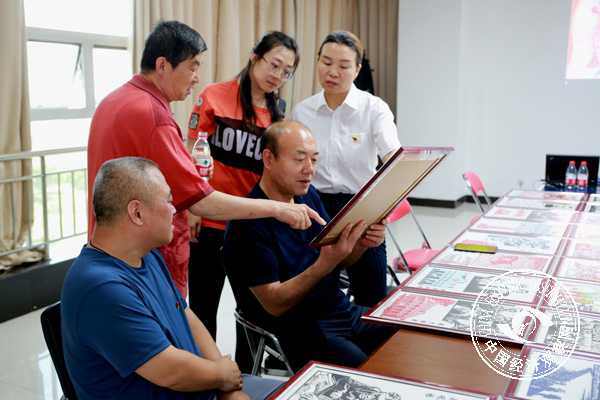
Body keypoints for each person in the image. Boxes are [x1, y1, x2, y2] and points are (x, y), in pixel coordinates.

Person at [87, 21, 324, 299]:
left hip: (118, 243)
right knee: (195, 304)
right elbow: (197, 192)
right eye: (193, 67)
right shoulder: (160, 114)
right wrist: (276, 209)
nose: (196, 77)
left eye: (286, 72)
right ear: (163, 65)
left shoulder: (116, 100)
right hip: (155, 240)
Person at [62, 157, 281, 399]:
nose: (175, 209)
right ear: (137, 213)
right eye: (168, 201)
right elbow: (170, 371)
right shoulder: (101, 288)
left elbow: (185, 315)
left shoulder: (146, 256)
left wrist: (227, 386)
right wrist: (221, 376)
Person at [223, 121, 397, 372]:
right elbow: (275, 303)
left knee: (404, 339)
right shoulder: (247, 224)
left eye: (314, 160)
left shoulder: (308, 196)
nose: (309, 169)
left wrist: (360, 243)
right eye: (299, 159)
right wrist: (323, 265)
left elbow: (338, 259)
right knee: (368, 371)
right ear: (268, 159)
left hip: (337, 309)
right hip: (298, 328)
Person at [186, 31, 299, 341]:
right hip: (210, 220)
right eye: (274, 65)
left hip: (252, 226)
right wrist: (192, 207)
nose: (278, 75)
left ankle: (246, 370)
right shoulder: (213, 96)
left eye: (286, 72)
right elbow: (191, 153)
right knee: (202, 308)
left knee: (253, 313)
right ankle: (206, 369)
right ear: (254, 57)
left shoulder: (278, 113)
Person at [292, 31, 401, 307]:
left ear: (357, 69)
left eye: (343, 65)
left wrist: (383, 213)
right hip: (315, 206)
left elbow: (393, 160)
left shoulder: (373, 109)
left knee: (371, 295)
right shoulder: (303, 112)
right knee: (315, 291)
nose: (332, 72)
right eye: (326, 62)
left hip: (361, 207)